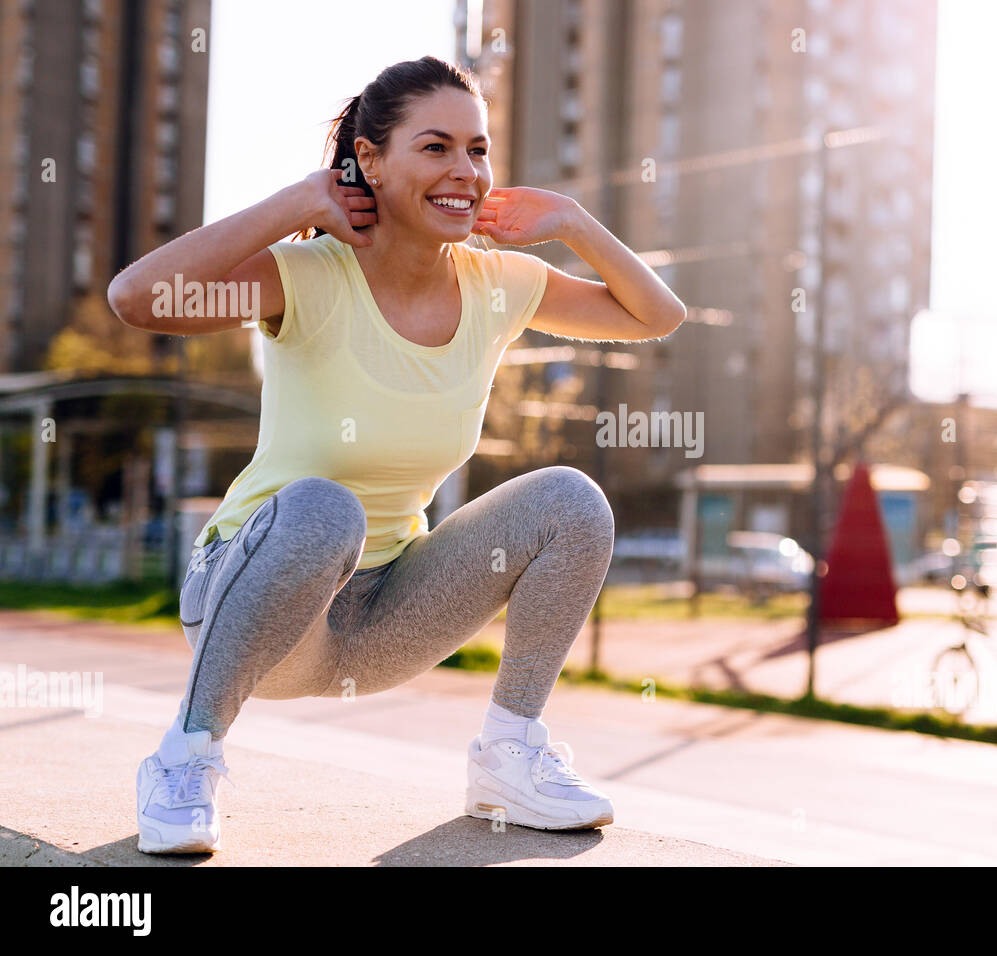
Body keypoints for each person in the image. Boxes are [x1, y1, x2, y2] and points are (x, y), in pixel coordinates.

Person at [107, 57, 687, 853]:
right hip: (249, 608)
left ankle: (509, 757)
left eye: (479, 150)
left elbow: (657, 316)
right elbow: (136, 299)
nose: (466, 172)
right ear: (369, 162)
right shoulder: (306, 277)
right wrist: (298, 203)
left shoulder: (499, 284)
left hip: (383, 619)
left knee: (571, 501)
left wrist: (574, 222)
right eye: (437, 147)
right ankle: (184, 758)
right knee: (322, 507)